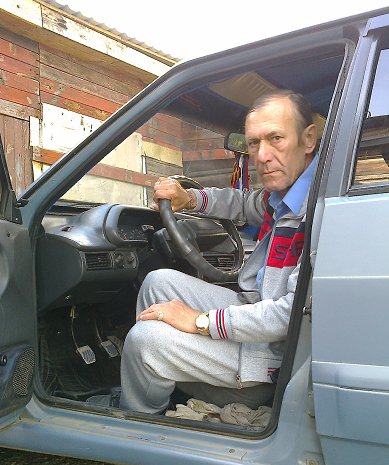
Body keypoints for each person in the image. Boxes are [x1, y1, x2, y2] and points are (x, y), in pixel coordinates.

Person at [120, 90, 318, 414]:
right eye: (254, 143)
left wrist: (200, 322)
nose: (262, 155)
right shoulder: (286, 195)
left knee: (144, 341)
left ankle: (141, 425)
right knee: (157, 282)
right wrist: (190, 199)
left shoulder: (321, 210)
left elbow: (290, 315)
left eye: (276, 138)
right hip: (256, 311)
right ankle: (158, 382)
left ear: (308, 139)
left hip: (271, 360)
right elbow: (242, 203)